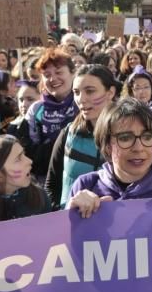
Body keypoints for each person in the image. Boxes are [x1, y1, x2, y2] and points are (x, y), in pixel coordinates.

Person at [67, 99, 152, 216]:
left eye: (147, 136)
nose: (138, 148)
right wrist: (70, 215)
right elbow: (63, 242)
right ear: (107, 145)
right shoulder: (86, 185)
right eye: (125, 138)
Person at [46, 65, 118, 207]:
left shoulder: (130, 136)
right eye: (76, 92)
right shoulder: (69, 133)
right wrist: (61, 215)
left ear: (110, 92)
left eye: (90, 91)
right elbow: (51, 184)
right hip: (70, 224)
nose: (81, 99)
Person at [25, 49, 78, 180]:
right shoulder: (37, 109)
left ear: (73, 73)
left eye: (59, 72)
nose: (53, 79)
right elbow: (30, 150)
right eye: (47, 74)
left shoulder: (84, 104)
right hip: (46, 178)